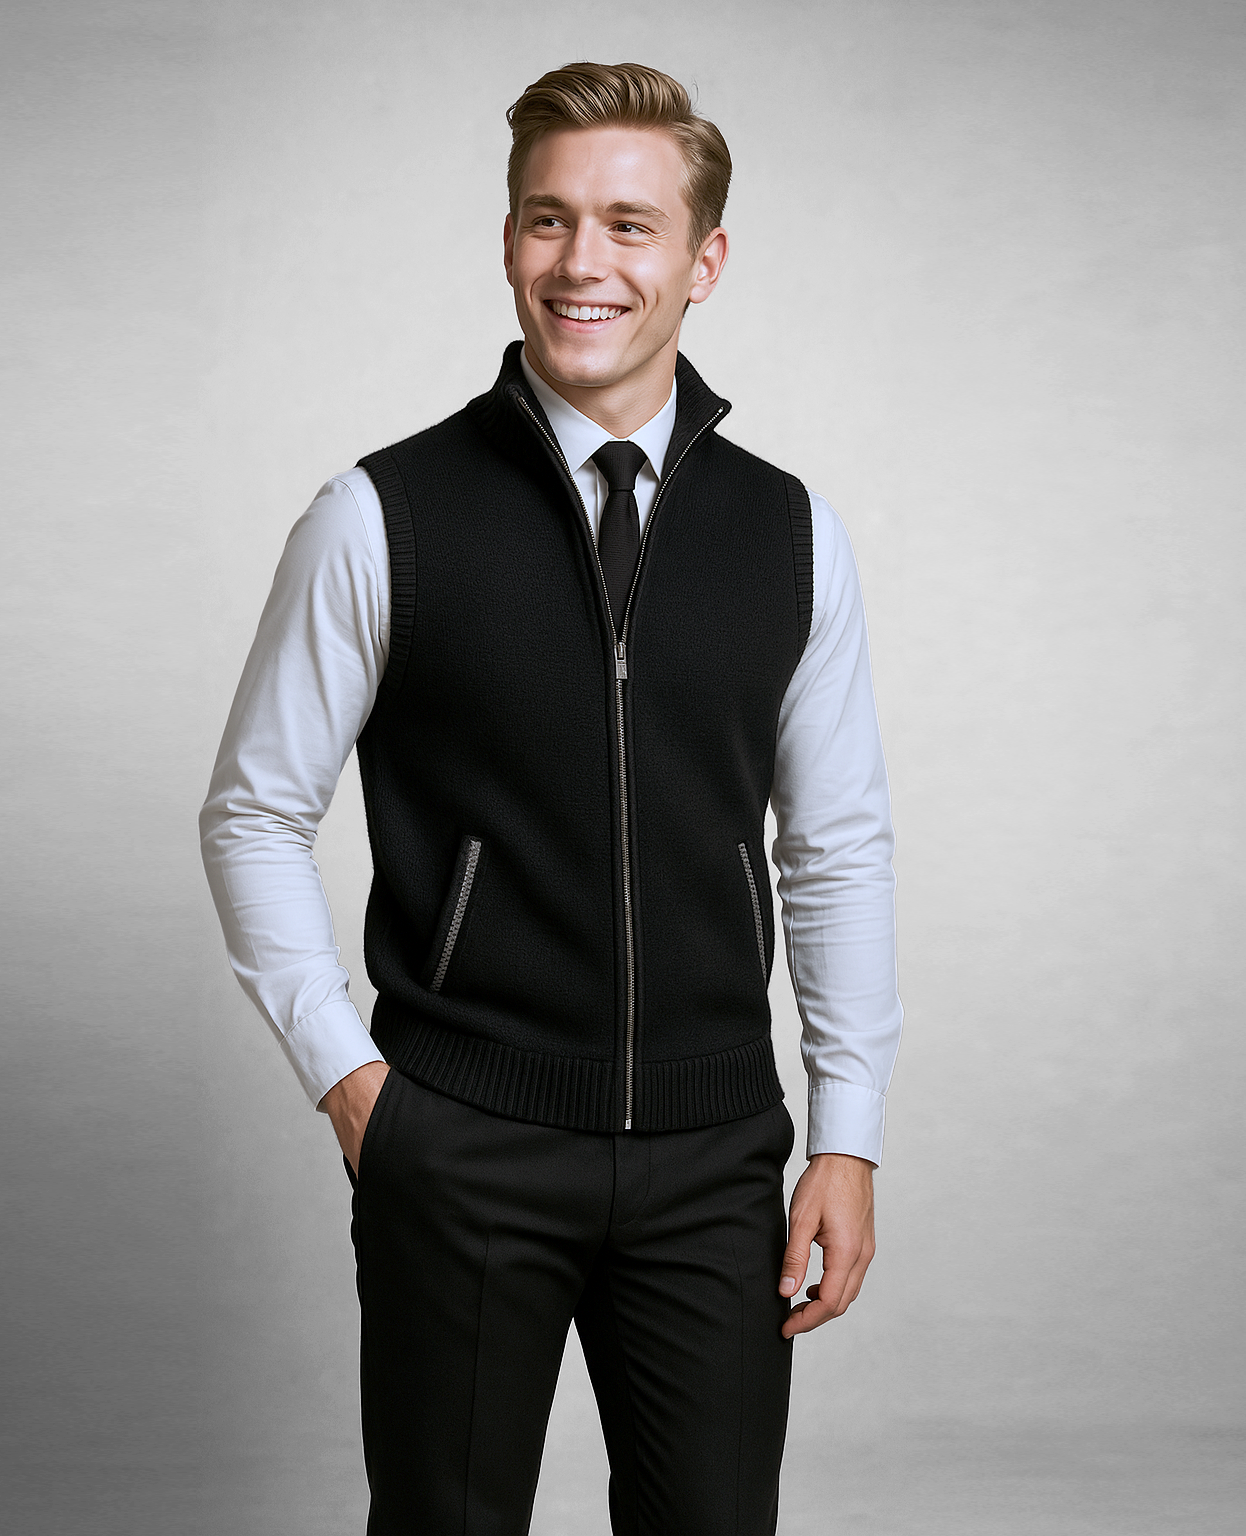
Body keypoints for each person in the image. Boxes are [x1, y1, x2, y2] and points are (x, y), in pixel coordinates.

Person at [199, 60, 903, 1536]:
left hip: (716, 1155)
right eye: (548, 218)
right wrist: (356, 1087)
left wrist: (846, 1131)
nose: (584, 262)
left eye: (631, 225)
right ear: (510, 238)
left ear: (704, 260)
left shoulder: (789, 533)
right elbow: (254, 812)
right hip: (463, 1140)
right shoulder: (379, 517)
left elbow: (834, 847)